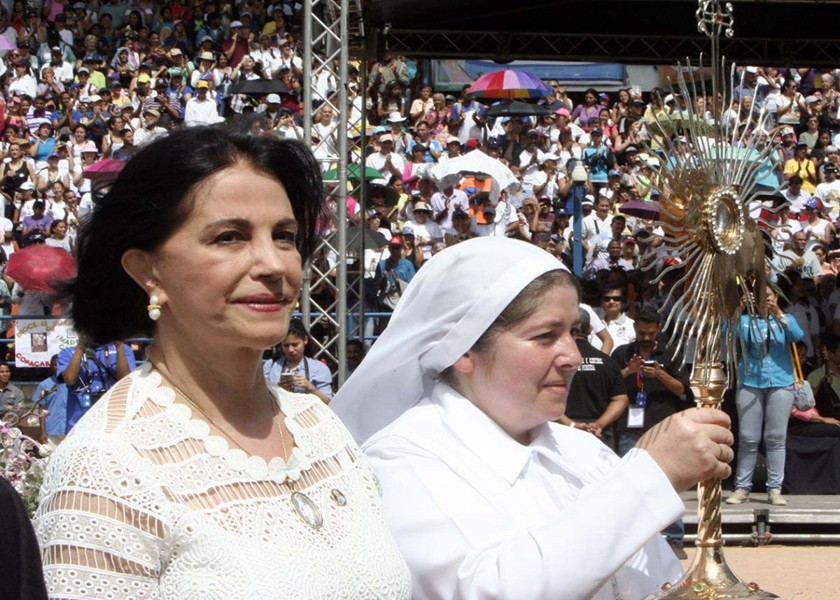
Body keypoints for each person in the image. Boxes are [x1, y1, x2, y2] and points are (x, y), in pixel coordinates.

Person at [34, 127, 411, 599]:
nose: (273, 264)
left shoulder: (319, 427)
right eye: (229, 237)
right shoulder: (107, 468)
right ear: (148, 271)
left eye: (285, 236)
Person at [332, 237, 734, 600]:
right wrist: (650, 477)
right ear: (463, 349)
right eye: (545, 336)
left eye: (573, 332)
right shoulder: (400, 461)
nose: (573, 356)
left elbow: (657, 578)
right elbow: (487, 589)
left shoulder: (585, 452)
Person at [727, 285, 804, 506]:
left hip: (781, 382)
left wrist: (777, 312)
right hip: (750, 381)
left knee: (776, 438)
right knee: (748, 438)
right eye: (759, 296)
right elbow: (726, 333)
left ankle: (775, 489)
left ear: (776, 297)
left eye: (767, 296)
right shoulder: (744, 321)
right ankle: (742, 488)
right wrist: (739, 307)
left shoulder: (785, 318)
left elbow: (797, 335)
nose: (764, 300)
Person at [557, 307, 629, 452]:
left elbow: (543, 398)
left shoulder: (557, 361)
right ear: (590, 329)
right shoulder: (608, 362)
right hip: (600, 438)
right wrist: (599, 424)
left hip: (562, 435)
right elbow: (621, 399)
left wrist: (571, 424)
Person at [57, 339, 136, 432]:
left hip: (112, 421)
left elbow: (126, 380)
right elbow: (69, 380)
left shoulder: (123, 350)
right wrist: (80, 347)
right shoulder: (68, 353)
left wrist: (119, 347)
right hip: (79, 423)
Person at [263, 318, 334, 404]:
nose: (290, 350)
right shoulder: (270, 366)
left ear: (305, 340)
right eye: (286, 345)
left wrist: (310, 387)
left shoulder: (319, 368)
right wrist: (279, 389)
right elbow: (260, 399)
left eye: (295, 345)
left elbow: (328, 402)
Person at [34, 353, 68, 449]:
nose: (58, 367)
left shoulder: (74, 384)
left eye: (61, 364)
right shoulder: (44, 385)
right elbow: (41, 410)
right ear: (51, 366)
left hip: (70, 430)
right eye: (55, 365)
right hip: (51, 431)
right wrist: (42, 432)